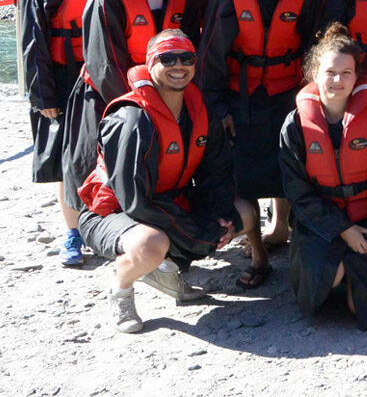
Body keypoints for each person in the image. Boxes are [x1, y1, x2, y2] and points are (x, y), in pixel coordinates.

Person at [75, 31, 242, 333]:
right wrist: (197, 235)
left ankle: (164, 271)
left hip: (166, 203)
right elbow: (135, 200)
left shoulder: (198, 109)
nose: (178, 65)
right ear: (151, 64)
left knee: (243, 212)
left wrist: (219, 216)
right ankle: (122, 287)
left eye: (186, 58)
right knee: (152, 244)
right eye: (167, 58)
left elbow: (218, 171)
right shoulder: (132, 120)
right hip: (111, 213)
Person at [198, 0, 324, 287]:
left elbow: (315, 49)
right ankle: (258, 253)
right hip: (242, 95)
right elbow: (210, 57)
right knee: (243, 176)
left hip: (289, 92)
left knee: (292, 167)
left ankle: (283, 228)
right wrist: (218, 108)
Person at [62, 0, 196, 214]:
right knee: (98, 168)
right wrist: (141, 110)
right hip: (111, 94)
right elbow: (104, 64)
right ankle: (83, 230)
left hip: (168, 91)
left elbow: (189, 46)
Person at [279, 25, 367, 330]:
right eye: (330, 72)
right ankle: (340, 273)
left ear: (357, 76)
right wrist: (344, 229)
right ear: (314, 74)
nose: (338, 80)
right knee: (322, 281)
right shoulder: (294, 125)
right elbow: (298, 192)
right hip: (321, 225)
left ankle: (354, 276)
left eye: (347, 73)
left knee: (362, 308)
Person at [20, 0, 110, 266]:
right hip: (63, 76)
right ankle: (72, 233)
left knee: (106, 150)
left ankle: (104, 222)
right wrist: (43, 95)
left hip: (102, 71)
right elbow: (32, 40)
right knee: (66, 159)